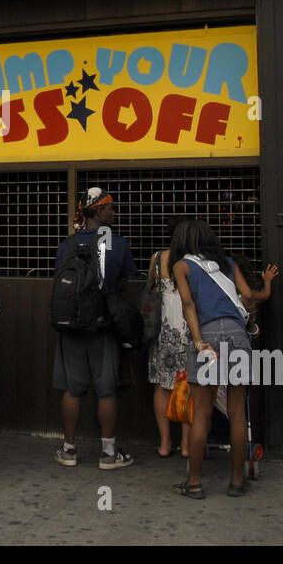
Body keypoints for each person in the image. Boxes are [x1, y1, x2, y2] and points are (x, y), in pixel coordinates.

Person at [172, 218, 276, 499]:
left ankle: (194, 483)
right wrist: (264, 288)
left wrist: (198, 341)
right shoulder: (228, 264)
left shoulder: (181, 267)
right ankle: (237, 482)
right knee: (238, 412)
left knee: (202, 415)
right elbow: (247, 295)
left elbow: (188, 304)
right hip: (237, 335)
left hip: (207, 335)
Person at [52, 187, 137, 470]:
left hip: (71, 327)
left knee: (72, 389)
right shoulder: (120, 245)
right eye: (110, 208)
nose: (114, 212)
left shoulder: (67, 244)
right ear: (99, 211)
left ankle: (69, 449)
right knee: (106, 389)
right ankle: (109, 453)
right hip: (103, 328)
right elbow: (124, 284)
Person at [148, 216, 192, 459]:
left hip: (162, 330)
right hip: (188, 329)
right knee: (187, 386)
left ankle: (165, 443)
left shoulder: (156, 259)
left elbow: (150, 290)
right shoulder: (193, 263)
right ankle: (186, 445)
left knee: (162, 387)